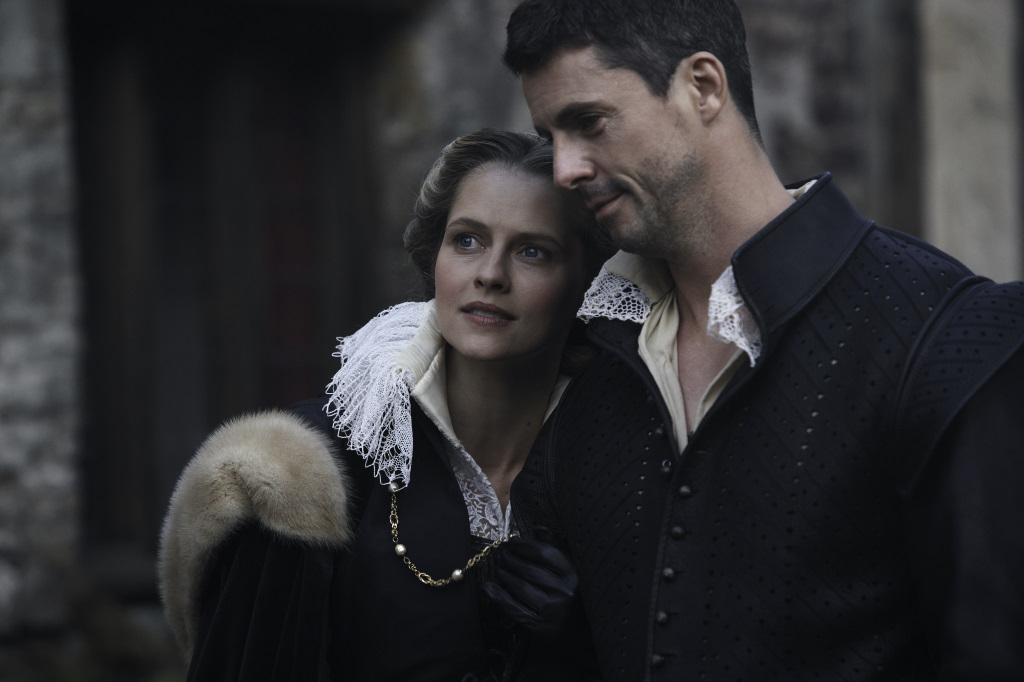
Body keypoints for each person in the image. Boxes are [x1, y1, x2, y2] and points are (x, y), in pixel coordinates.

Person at [502, 1, 1024, 680]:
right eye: (550, 136)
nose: (565, 169)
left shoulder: (942, 331)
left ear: (703, 87)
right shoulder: (584, 353)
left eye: (589, 122)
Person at [157, 129, 612, 681]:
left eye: (533, 251)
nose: (490, 274)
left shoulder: (621, 470)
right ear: (435, 256)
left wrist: (588, 637)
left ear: (588, 281)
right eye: (467, 240)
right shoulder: (299, 476)